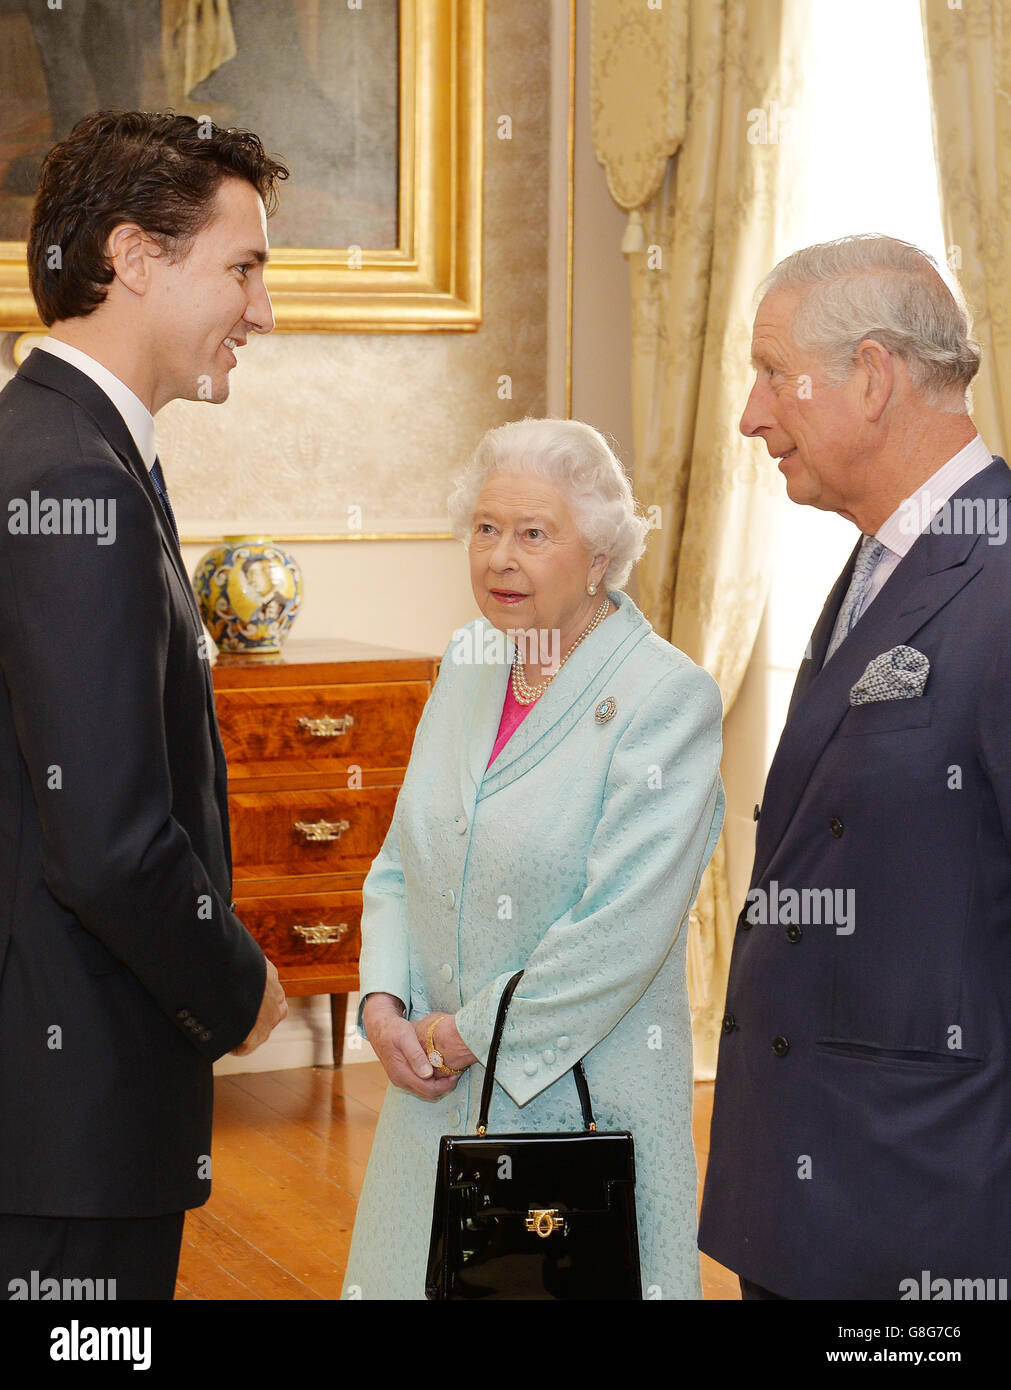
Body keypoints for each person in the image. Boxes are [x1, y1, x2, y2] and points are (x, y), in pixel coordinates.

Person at [0, 111, 290, 1300]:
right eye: (244, 267)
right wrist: (239, 986)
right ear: (133, 256)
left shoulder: (60, 445)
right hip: (67, 1118)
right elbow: (110, 842)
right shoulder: (73, 474)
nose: (263, 313)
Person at [341, 417, 725, 1300]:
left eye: (532, 533)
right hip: (432, 1093)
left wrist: (469, 1033)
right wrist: (382, 1002)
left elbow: (620, 928)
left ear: (597, 555)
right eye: (484, 529)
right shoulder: (471, 659)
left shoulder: (664, 697)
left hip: (580, 1108)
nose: (498, 558)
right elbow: (403, 855)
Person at [699, 234, 1011, 1300]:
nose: (749, 416)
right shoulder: (878, 566)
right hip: (817, 1197)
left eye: (772, 375)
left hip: (930, 1210)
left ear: (872, 376)